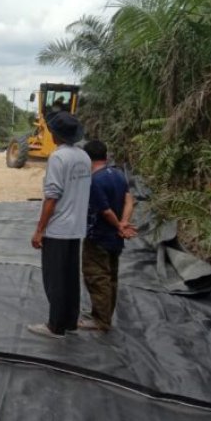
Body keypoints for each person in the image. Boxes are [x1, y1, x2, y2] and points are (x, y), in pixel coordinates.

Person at [27, 111, 91, 338]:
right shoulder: (84, 157)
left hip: (59, 229)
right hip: (76, 229)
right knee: (71, 278)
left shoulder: (58, 158)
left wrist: (39, 230)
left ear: (56, 135)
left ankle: (55, 326)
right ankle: (70, 321)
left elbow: (52, 197)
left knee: (54, 279)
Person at [79, 141, 136, 332]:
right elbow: (129, 200)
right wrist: (124, 223)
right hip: (115, 238)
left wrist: (118, 224)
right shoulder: (119, 175)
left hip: (99, 236)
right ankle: (103, 314)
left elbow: (104, 211)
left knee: (97, 276)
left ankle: (101, 320)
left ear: (88, 158)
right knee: (111, 276)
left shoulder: (95, 181)